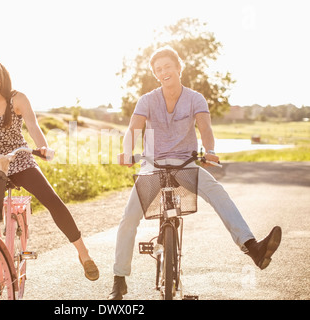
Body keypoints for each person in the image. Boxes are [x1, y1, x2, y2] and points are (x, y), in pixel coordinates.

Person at [107, 46, 282, 300]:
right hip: (152, 167)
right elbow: (133, 129)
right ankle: (119, 280)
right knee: (129, 218)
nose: (163, 72)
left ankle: (252, 247)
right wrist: (126, 152)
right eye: (158, 70)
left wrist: (209, 150)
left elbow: (205, 128)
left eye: (168, 67)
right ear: (156, 75)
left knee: (217, 193)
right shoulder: (146, 100)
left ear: (179, 68)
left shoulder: (195, 98)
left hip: (186, 165)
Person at [0, 55, 99, 299]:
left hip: (19, 159)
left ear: (2, 73)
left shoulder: (17, 98)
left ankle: (83, 253)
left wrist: (43, 147)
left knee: (52, 201)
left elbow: (33, 127)